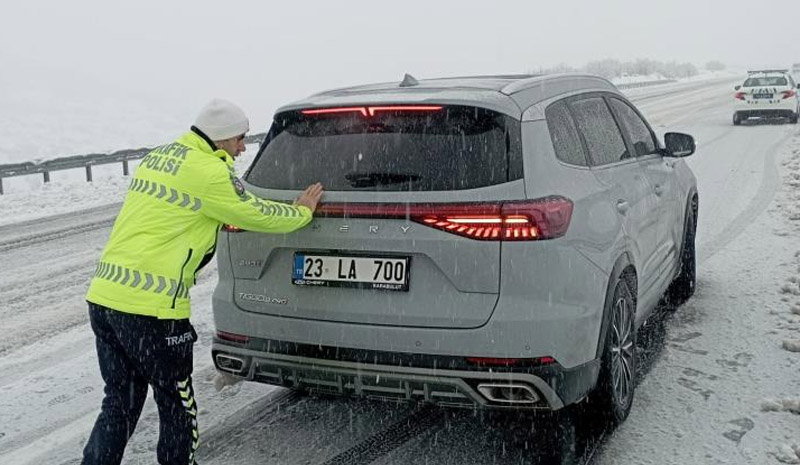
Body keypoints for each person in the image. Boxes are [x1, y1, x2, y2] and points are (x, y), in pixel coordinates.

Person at [81, 99, 323, 465]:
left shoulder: (160, 156)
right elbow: (255, 212)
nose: (243, 148)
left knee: (120, 401)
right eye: (240, 139)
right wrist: (301, 212)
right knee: (176, 402)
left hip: (104, 299)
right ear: (222, 137)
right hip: (153, 311)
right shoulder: (209, 173)